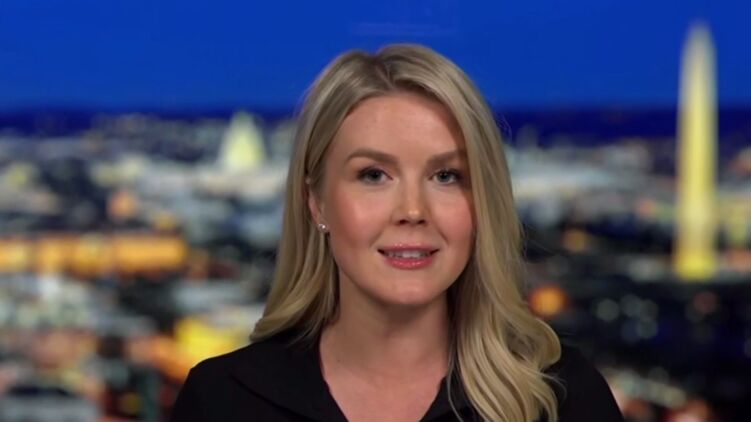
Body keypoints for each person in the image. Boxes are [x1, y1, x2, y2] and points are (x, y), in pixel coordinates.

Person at [171, 44, 624, 422]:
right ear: (316, 202)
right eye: (373, 175)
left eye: (446, 176)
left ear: (482, 203)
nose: (412, 211)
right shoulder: (223, 400)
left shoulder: (564, 400)